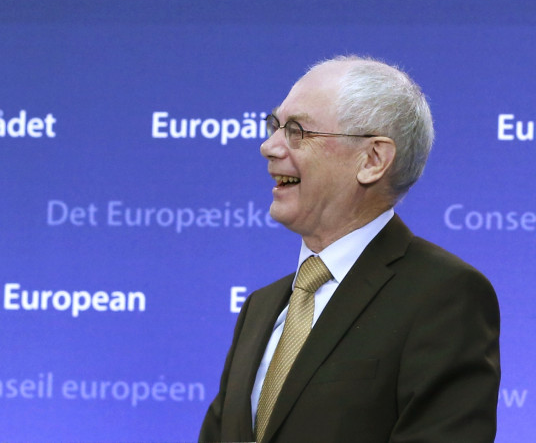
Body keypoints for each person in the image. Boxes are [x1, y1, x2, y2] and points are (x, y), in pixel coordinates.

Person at [199, 56, 500, 443]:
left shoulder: (444, 295)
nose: (269, 146)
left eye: (297, 131)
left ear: (373, 159)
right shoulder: (261, 306)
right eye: (274, 126)